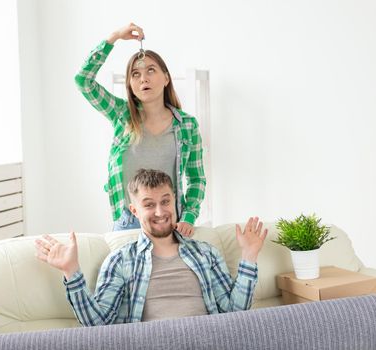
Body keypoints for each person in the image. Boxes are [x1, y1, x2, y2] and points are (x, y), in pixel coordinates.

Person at [35, 169, 268, 326]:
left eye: (165, 201)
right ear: (134, 210)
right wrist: (71, 271)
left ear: (174, 200)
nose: (160, 212)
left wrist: (249, 256)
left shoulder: (205, 253)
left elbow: (235, 313)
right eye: (149, 204)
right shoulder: (120, 260)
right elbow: (98, 324)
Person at [75, 23, 206, 236]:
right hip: (129, 221)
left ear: (166, 78)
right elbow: (83, 81)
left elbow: (196, 178)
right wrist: (114, 37)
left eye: (150, 70)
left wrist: (189, 216)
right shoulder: (121, 114)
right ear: (130, 85)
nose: (143, 78)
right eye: (135, 74)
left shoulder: (187, 125)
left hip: (171, 221)